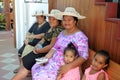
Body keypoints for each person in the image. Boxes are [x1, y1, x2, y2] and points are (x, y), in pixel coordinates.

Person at [32, 7, 89, 80]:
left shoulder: (81, 37)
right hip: (54, 62)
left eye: (69, 20)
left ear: (75, 21)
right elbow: (54, 47)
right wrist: (46, 58)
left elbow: (84, 57)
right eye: (64, 20)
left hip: (67, 65)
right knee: (36, 67)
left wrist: (68, 66)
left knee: (42, 77)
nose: (66, 22)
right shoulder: (62, 33)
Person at [12, 9, 63, 80]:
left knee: (27, 61)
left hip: (47, 51)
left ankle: (22, 74)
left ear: (58, 20)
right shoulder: (52, 27)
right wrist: (37, 46)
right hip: (41, 48)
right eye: (50, 19)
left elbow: (51, 46)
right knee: (25, 58)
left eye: (54, 19)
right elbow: (43, 39)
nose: (51, 21)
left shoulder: (58, 29)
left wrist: (38, 51)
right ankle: (23, 72)